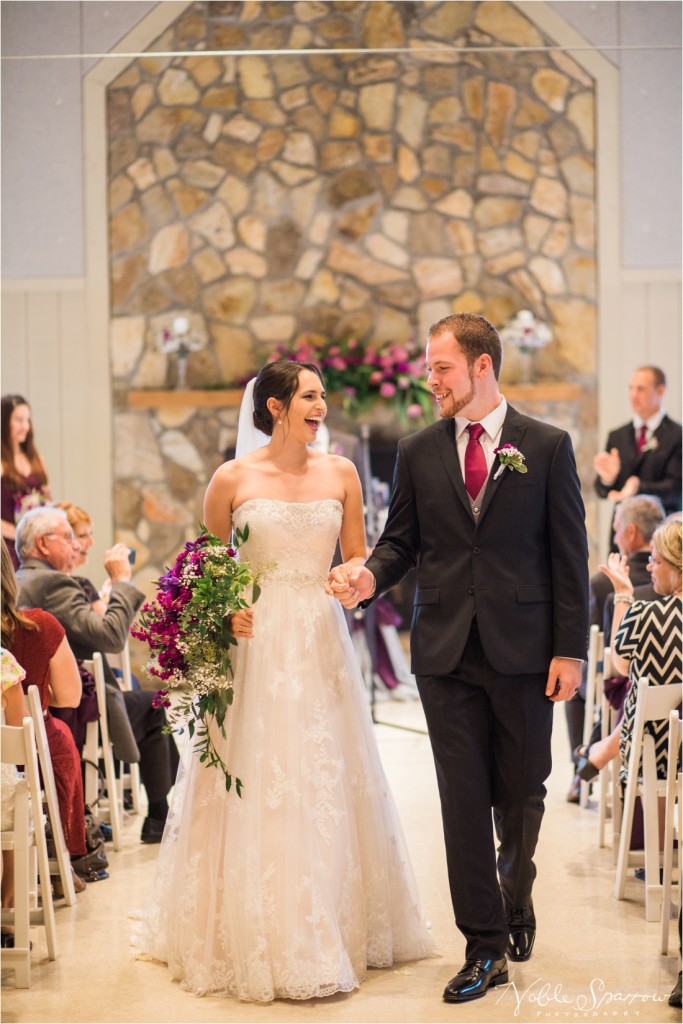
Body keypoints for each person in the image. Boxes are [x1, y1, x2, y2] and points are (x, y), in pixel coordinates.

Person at [131, 360, 435, 1001]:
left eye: (323, 395)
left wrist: (350, 581)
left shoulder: (343, 474)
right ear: (274, 407)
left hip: (320, 639)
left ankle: (333, 920)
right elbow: (204, 574)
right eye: (309, 396)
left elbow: (357, 559)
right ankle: (254, 926)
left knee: (324, 772)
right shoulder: (232, 479)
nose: (321, 405)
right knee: (264, 773)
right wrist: (225, 610)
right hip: (257, 641)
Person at [330, 313, 589, 1003]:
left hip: (526, 652)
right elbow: (400, 543)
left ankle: (517, 885)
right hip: (444, 653)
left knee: (522, 791)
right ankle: (483, 946)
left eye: (440, 366)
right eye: (427, 367)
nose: (429, 378)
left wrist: (570, 650)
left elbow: (569, 559)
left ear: (481, 366)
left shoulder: (547, 445)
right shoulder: (417, 450)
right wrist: (366, 578)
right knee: (463, 802)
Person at [14, 506, 179, 844]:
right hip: (70, 709)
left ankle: (160, 813)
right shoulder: (53, 582)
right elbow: (109, 636)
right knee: (154, 704)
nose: (76, 545)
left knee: (143, 701)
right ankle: (159, 815)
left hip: (31, 705)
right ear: (43, 544)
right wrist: (122, 583)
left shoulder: (17, 580)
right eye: (69, 537)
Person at [1, 539, 89, 891]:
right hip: (21, 759)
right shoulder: (37, 626)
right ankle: (57, 859)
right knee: (57, 739)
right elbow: (70, 696)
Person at [565, 495, 664, 802]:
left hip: (623, 683)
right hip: (666, 693)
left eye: (617, 527)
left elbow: (598, 652)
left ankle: (579, 773)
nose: (614, 534)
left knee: (576, 690)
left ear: (631, 532)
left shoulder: (603, 584)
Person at [574, 518, 682, 783]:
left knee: (637, 696)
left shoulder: (649, 614)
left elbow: (621, 665)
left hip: (661, 757)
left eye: (656, 562)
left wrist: (623, 593)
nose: (649, 567)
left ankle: (657, 826)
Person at [593, 367, 682, 550]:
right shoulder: (617, 436)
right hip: (622, 533)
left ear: (660, 391)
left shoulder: (677, 435)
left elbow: (676, 488)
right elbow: (602, 490)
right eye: (631, 388)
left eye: (641, 389)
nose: (633, 395)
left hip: (662, 532)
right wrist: (607, 479)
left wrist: (637, 487)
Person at [1, 647, 31, 947]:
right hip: (2, 806)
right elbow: (17, 731)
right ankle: (6, 916)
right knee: (15, 796)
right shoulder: (3, 662)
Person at [1, 395, 51, 570]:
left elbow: (46, 495)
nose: (25, 426)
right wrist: (20, 533)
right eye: (18, 420)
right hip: (7, 546)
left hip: (35, 546)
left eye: (27, 420)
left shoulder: (36, 458)